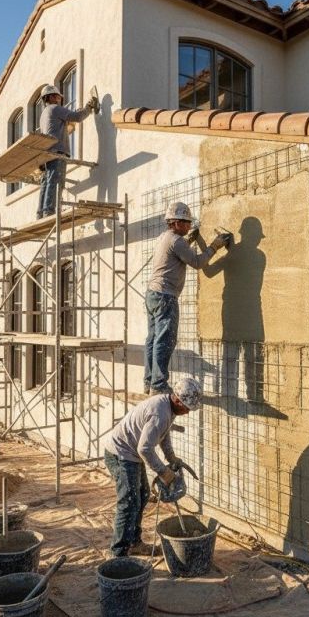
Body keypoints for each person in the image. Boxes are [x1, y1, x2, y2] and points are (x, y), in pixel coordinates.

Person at [104, 377, 202, 557]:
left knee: (141, 495)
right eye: (186, 407)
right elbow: (145, 449)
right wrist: (164, 472)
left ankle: (134, 542)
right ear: (177, 399)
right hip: (120, 453)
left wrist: (171, 457)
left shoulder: (168, 407)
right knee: (129, 501)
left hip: (131, 453)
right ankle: (118, 554)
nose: (188, 412)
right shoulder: (160, 412)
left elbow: (163, 435)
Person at [145, 202, 227, 394]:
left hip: (153, 294)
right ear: (175, 223)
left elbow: (176, 254)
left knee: (153, 338)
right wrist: (215, 246)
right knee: (165, 340)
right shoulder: (177, 241)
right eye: (186, 222)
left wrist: (190, 241)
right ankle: (158, 385)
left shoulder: (164, 238)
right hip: (166, 296)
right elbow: (197, 263)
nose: (189, 226)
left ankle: (149, 381)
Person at [36, 84, 98, 219]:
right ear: (51, 97)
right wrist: (88, 108)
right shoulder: (55, 109)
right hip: (57, 151)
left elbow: (60, 126)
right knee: (56, 181)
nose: (59, 99)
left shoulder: (44, 114)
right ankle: (49, 211)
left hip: (48, 153)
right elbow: (77, 117)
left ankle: (41, 212)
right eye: (58, 96)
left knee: (46, 182)